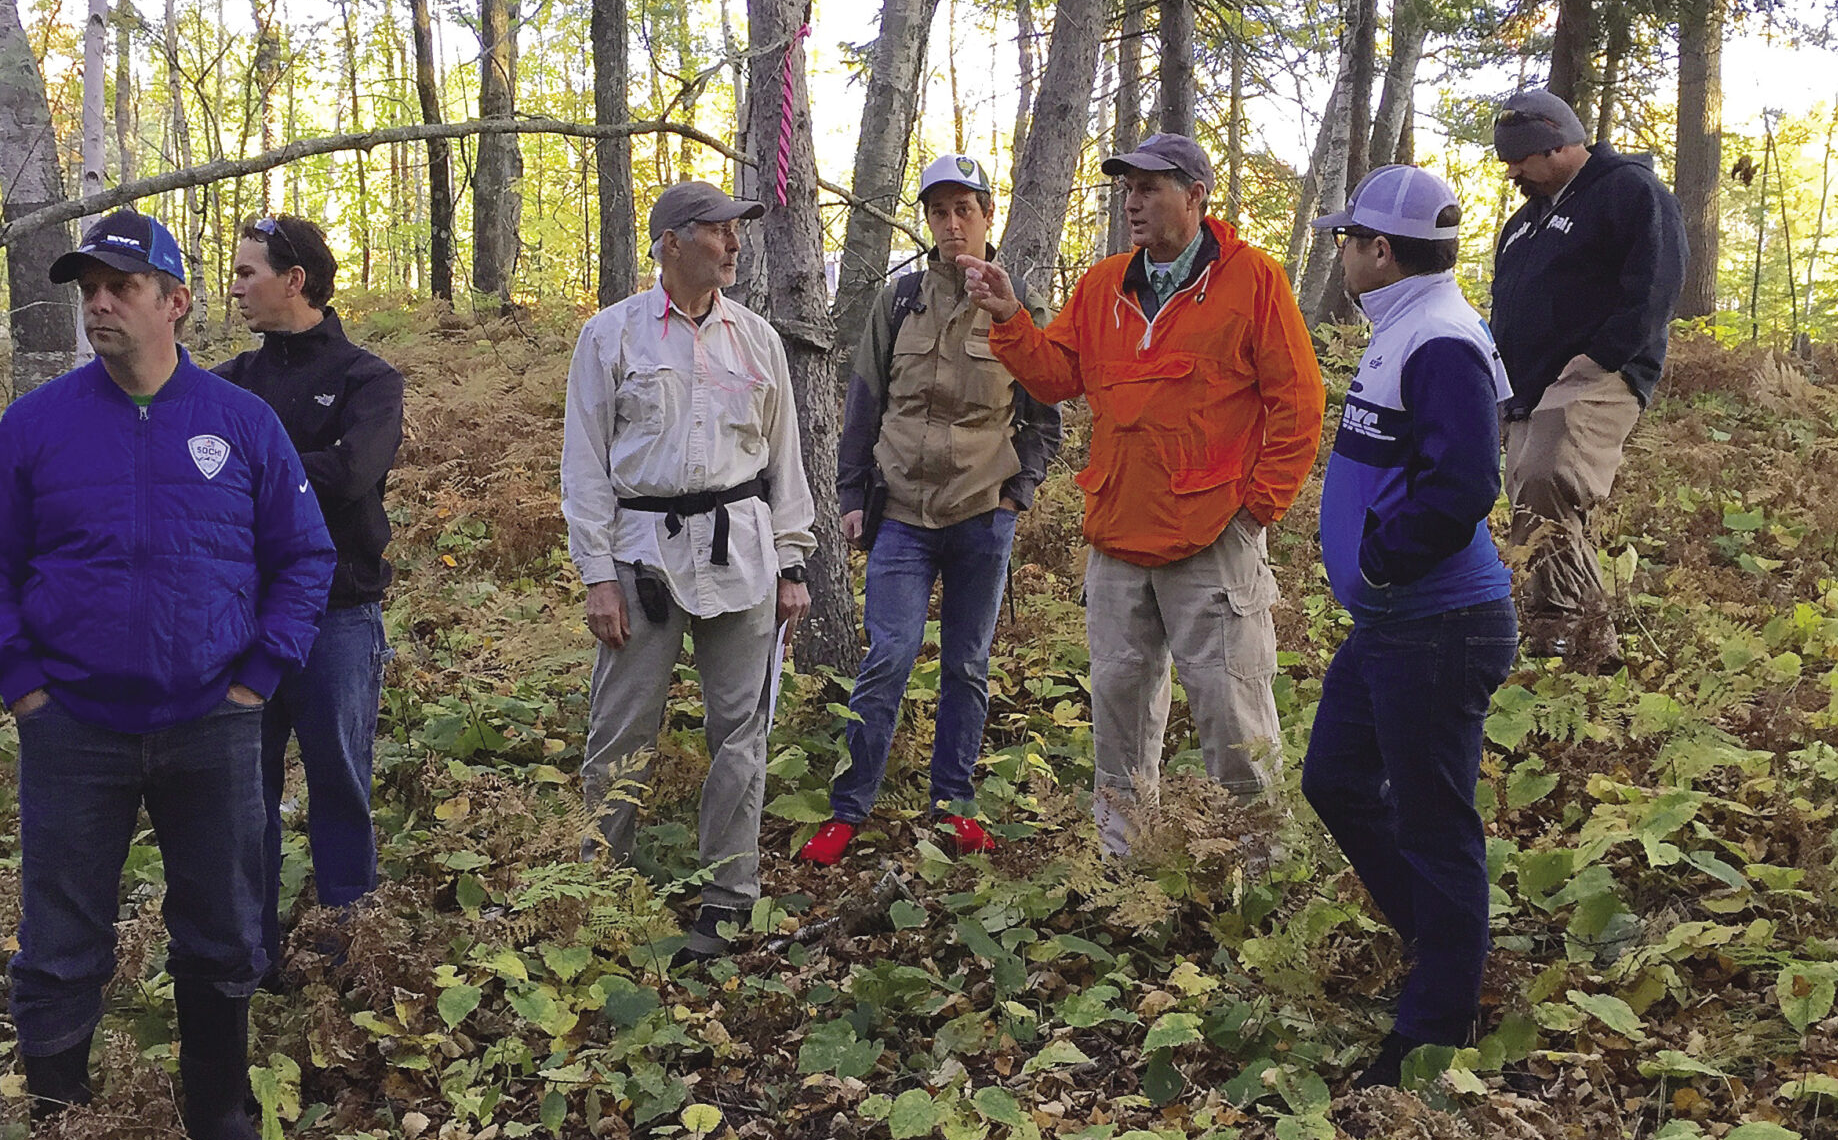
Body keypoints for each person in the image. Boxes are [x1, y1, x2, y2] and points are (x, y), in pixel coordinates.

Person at [0, 209, 335, 1140]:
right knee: (58, 942)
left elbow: (304, 559)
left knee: (221, 931)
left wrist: (256, 680)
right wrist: (23, 686)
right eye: (88, 289)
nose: (99, 304)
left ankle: (219, 1113)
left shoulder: (241, 424)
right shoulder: (36, 427)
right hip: (74, 727)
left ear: (175, 302)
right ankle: (57, 1129)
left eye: (121, 287)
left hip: (211, 721)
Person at [963, 132, 1324, 856]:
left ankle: (1261, 872)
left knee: (1233, 713)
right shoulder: (1102, 286)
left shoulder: (1253, 281)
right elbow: (1057, 376)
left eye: (1150, 188)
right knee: (1120, 711)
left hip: (1213, 537)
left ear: (1195, 196)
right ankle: (1123, 864)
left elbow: (1300, 400)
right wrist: (1009, 319)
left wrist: (1259, 508)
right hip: (1120, 533)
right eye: (1128, 189)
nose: (1133, 202)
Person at [1299, 167, 1520, 1090]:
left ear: (1381, 251)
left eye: (1349, 239)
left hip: (1436, 623)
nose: (1341, 251)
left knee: (1436, 824)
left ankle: (1433, 1031)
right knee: (1336, 781)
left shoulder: (1437, 338)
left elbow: (1469, 481)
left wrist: (1385, 553)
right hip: (1395, 623)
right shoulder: (1406, 329)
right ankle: (1443, 948)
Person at [561, 179, 815, 960]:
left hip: (742, 555)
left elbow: (784, 461)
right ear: (672, 241)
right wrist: (597, 574)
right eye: (718, 231)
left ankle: (729, 899)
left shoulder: (757, 339)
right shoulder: (612, 338)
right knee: (620, 731)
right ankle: (597, 888)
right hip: (643, 561)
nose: (735, 244)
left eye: (736, 232)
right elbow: (585, 466)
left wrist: (792, 561)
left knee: (742, 734)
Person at [804, 154, 1062, 866]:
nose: (952, 225)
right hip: (903, 517)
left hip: (983, 514)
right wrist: (851, 497)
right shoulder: (898, 302)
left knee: (967, 665)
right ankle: (849, 807)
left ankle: (953, 801)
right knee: (886, 657)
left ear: (987, 217)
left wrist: (1020, 493)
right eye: (939, 212)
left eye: (965, 210)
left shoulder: (1019, 307)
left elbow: (1045, 414)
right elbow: (862, 407)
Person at [218, 214, 405, 986]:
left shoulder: (369, 380)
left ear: (295, 281)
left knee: (340, 784)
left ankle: (346, 949)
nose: (233, 289)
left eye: (247, 273)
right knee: (242, 798)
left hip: (338, 615)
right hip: (242, 622)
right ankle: (249, 955)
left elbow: (352, 473)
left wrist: (252, 466)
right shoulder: (228, 383)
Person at [1488, 88, 1687, 667]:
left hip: (1598, 372)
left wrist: (1604, 356)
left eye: (1519, 159)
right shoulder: (1525, 224)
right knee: (1530, 489)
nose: (1513, 173)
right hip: (1529, 385)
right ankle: (1589, 640)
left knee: (1551, 476)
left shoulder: (1630, 192)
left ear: (1553, 144)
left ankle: (1559, 621)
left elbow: (1656, 284)